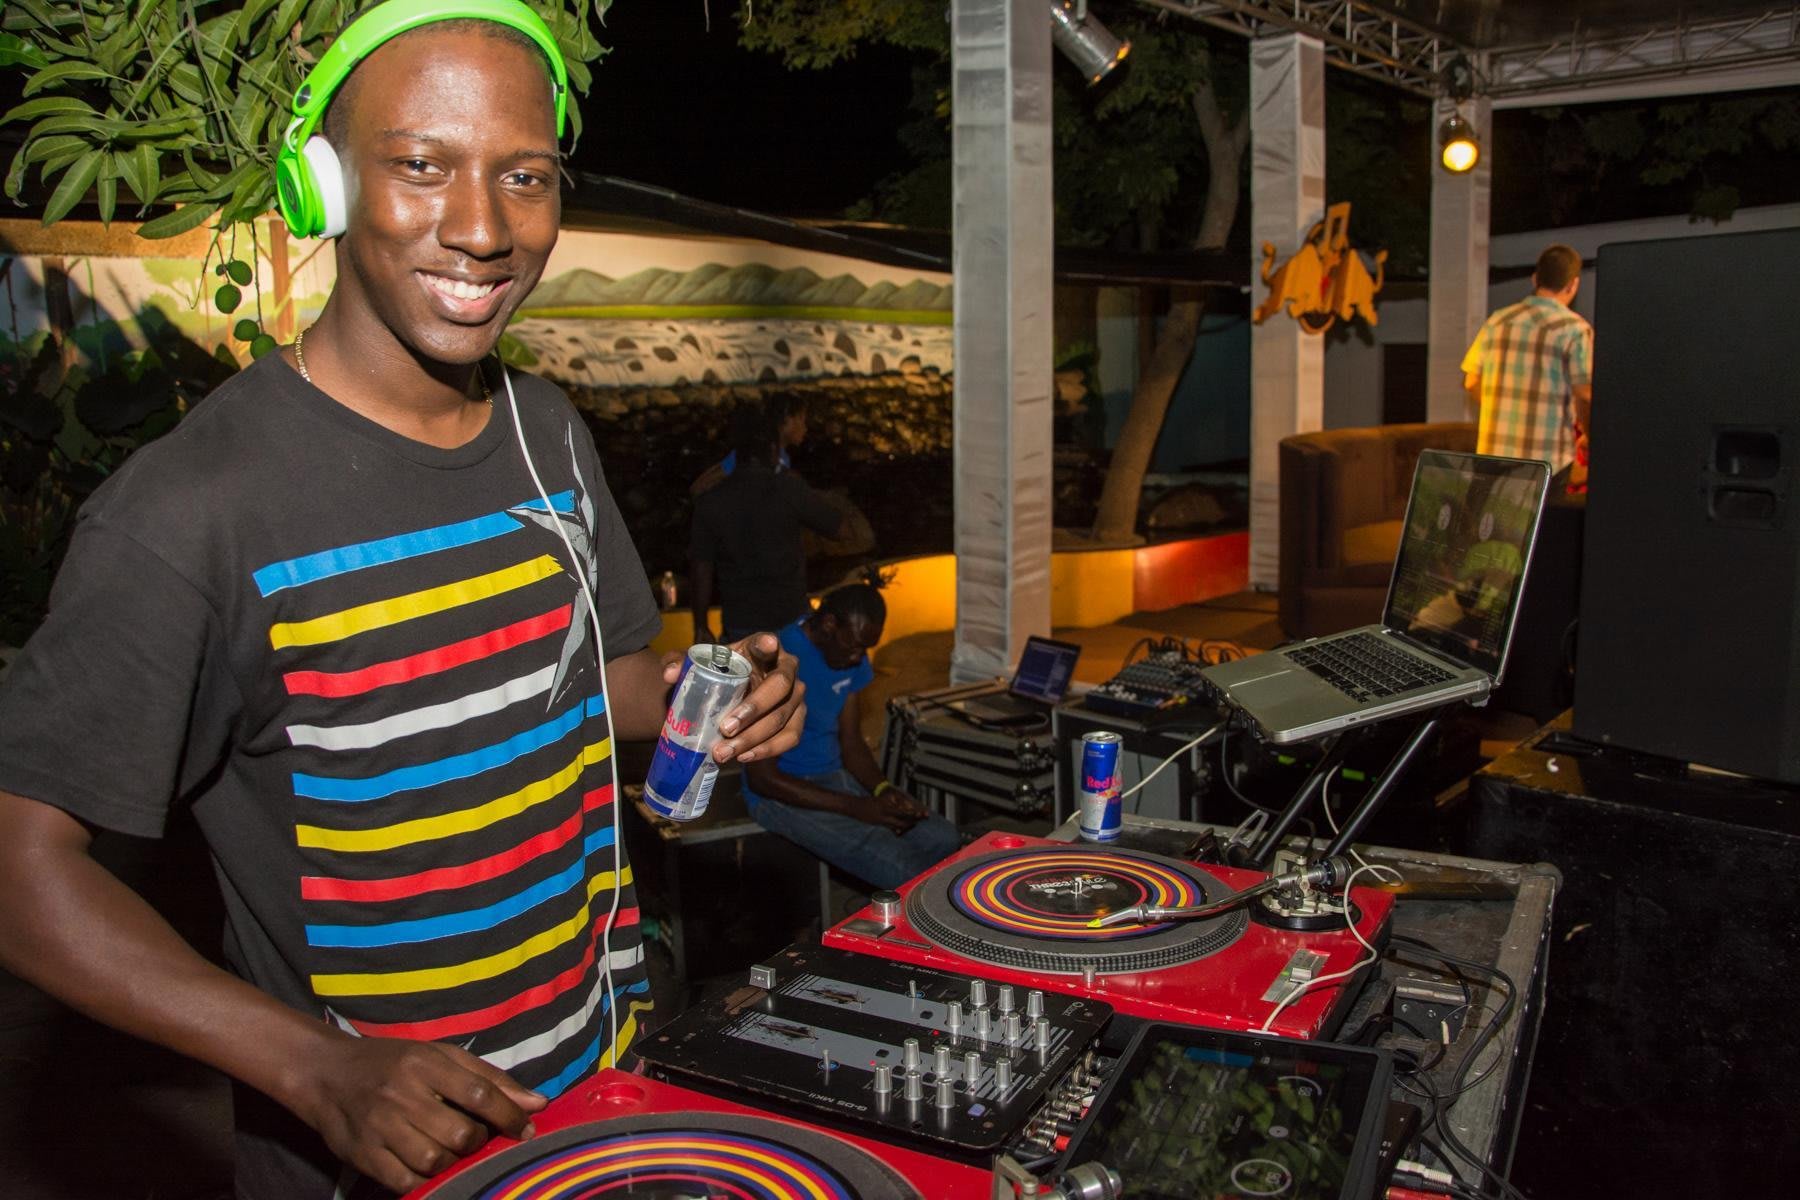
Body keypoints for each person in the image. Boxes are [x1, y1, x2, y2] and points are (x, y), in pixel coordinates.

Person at [0, 6, 804, 1197]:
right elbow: (21, 870)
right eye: (421, 164)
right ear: (321, 185)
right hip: (378, 1159)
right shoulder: (189, 513)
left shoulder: (548, 432)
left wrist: (703, 700)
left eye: (524, 176)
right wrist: (312, 1068)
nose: (482, 228)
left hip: (598, 1096)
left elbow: (602, 679)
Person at [742, 582, 960, 892]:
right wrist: (857, 808)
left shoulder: (848, 653)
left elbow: (851, 741)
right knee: (906, 871)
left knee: (944, 839)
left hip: (833, 777)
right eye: (855, 646)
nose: (860, 658)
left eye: (866, 648)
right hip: (780, 793)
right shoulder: (779, 659)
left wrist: (882, 789)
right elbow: (762, 779)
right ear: (829, 624)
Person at [690, 404, 846, 644]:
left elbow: (701, 569)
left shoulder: (710, 501)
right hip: (791, 618)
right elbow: (841, 530)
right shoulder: (789, 488)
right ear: (774, 451)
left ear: (736, 455)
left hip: (740, 624)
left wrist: (701, 625)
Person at [1461, 243, 1595, 473]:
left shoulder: (1497, 321)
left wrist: (1506, 411)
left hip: (1494, 454)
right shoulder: (1575, 329)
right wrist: (1590, 435)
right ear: (1573, 284)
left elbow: (1471, 381)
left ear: (1535, 280)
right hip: (1548, 461)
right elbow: (1583, 393)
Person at [688, 392, 809, 496]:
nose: (805, 428)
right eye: (802, 420)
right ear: (787, 419)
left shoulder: (781, 457)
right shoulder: (753, 452)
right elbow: (701, 485)